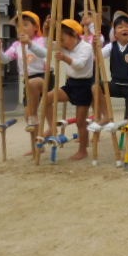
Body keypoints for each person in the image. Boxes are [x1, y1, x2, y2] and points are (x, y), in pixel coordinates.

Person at [0, 12, 47, 144]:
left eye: (26, 25)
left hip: (44, 77)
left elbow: (45, 54)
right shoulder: (16, 45)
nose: (21, 28)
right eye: (18, 26)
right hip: (26, 80)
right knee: (28, 115)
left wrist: (29, 44)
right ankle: (36, 145)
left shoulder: (42, 40)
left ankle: (45, 133)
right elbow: (4, 60)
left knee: (34, 95)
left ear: (35, 27)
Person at [44, 19, 94, 160]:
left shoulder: (86, 47)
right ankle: (52, 127)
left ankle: (83, 150)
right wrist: (47, 29)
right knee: (47, 98)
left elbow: (79, 65)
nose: (61, 42)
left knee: (80, 121)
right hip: (71, 84)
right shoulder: (63, 47)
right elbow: (47, 46)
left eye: (63, 38)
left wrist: (64, 58)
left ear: (73, 34)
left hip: (84, 86)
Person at [99, 11, 128, 121]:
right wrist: (95, 45)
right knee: (95, 87)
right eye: (120, 27)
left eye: (127, 26)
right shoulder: (111, 46)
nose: (124, 29)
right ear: (115, 33)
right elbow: (96, 56)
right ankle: (105, 114)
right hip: (115, 85)